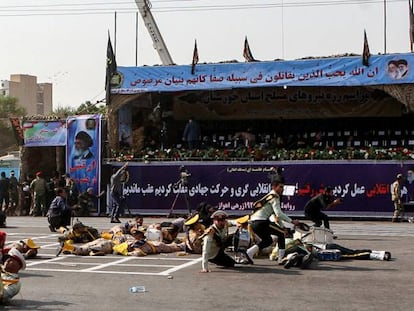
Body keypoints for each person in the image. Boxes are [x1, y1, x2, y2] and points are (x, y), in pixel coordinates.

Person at [247, 177, 300, 264]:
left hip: (253, 223)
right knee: (281, 234)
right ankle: (281, 259)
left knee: (268, 241)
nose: (282, 189)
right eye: (280, 187)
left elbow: (276, 216)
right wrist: (292, 221)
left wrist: (282, 227)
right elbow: (279, 214)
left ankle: (249, 253)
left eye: (283, 187)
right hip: (261, 222)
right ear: (274, 187)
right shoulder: (275, 197)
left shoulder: (269, 196)